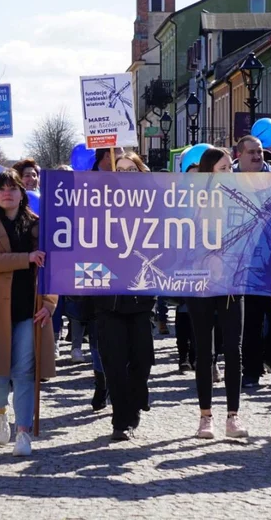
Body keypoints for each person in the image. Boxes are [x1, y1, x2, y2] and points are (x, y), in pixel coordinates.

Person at [0, 170, 56, 456]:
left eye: (12, 188)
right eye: (1, 189)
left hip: (29, 311)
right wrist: (26, 258)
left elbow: (52, 269)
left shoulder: (38, 225)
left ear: (22, 193)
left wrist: (49, 304)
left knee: (24, 373)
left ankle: (23, 432)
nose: (6, 193)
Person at [92, 148, 156, 442]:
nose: (126, 175)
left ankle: (136, 399)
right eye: (121, 170)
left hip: (141, 298)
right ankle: (122, 420)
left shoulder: (153, 207)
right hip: (107, 298)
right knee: (114, 362)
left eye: (132, 170)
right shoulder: (97, 206)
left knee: (142, 359)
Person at [189, 147, 248, 440]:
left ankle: (233, 416)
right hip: (201, 282)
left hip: (232, 282)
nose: (230, 173)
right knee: (204, 351)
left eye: (230, 168)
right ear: (209, 170)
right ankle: (205, 417)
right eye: (223, 168)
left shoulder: (240, 197)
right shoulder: (194, 199)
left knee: (234, 351)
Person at [235, 135, 271, 388]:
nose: (258, 156)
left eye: (260, 152)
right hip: (243, 262)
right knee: (251, 321)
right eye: (252, 152)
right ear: (239, 155)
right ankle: (251, 369)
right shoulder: (228, 180)